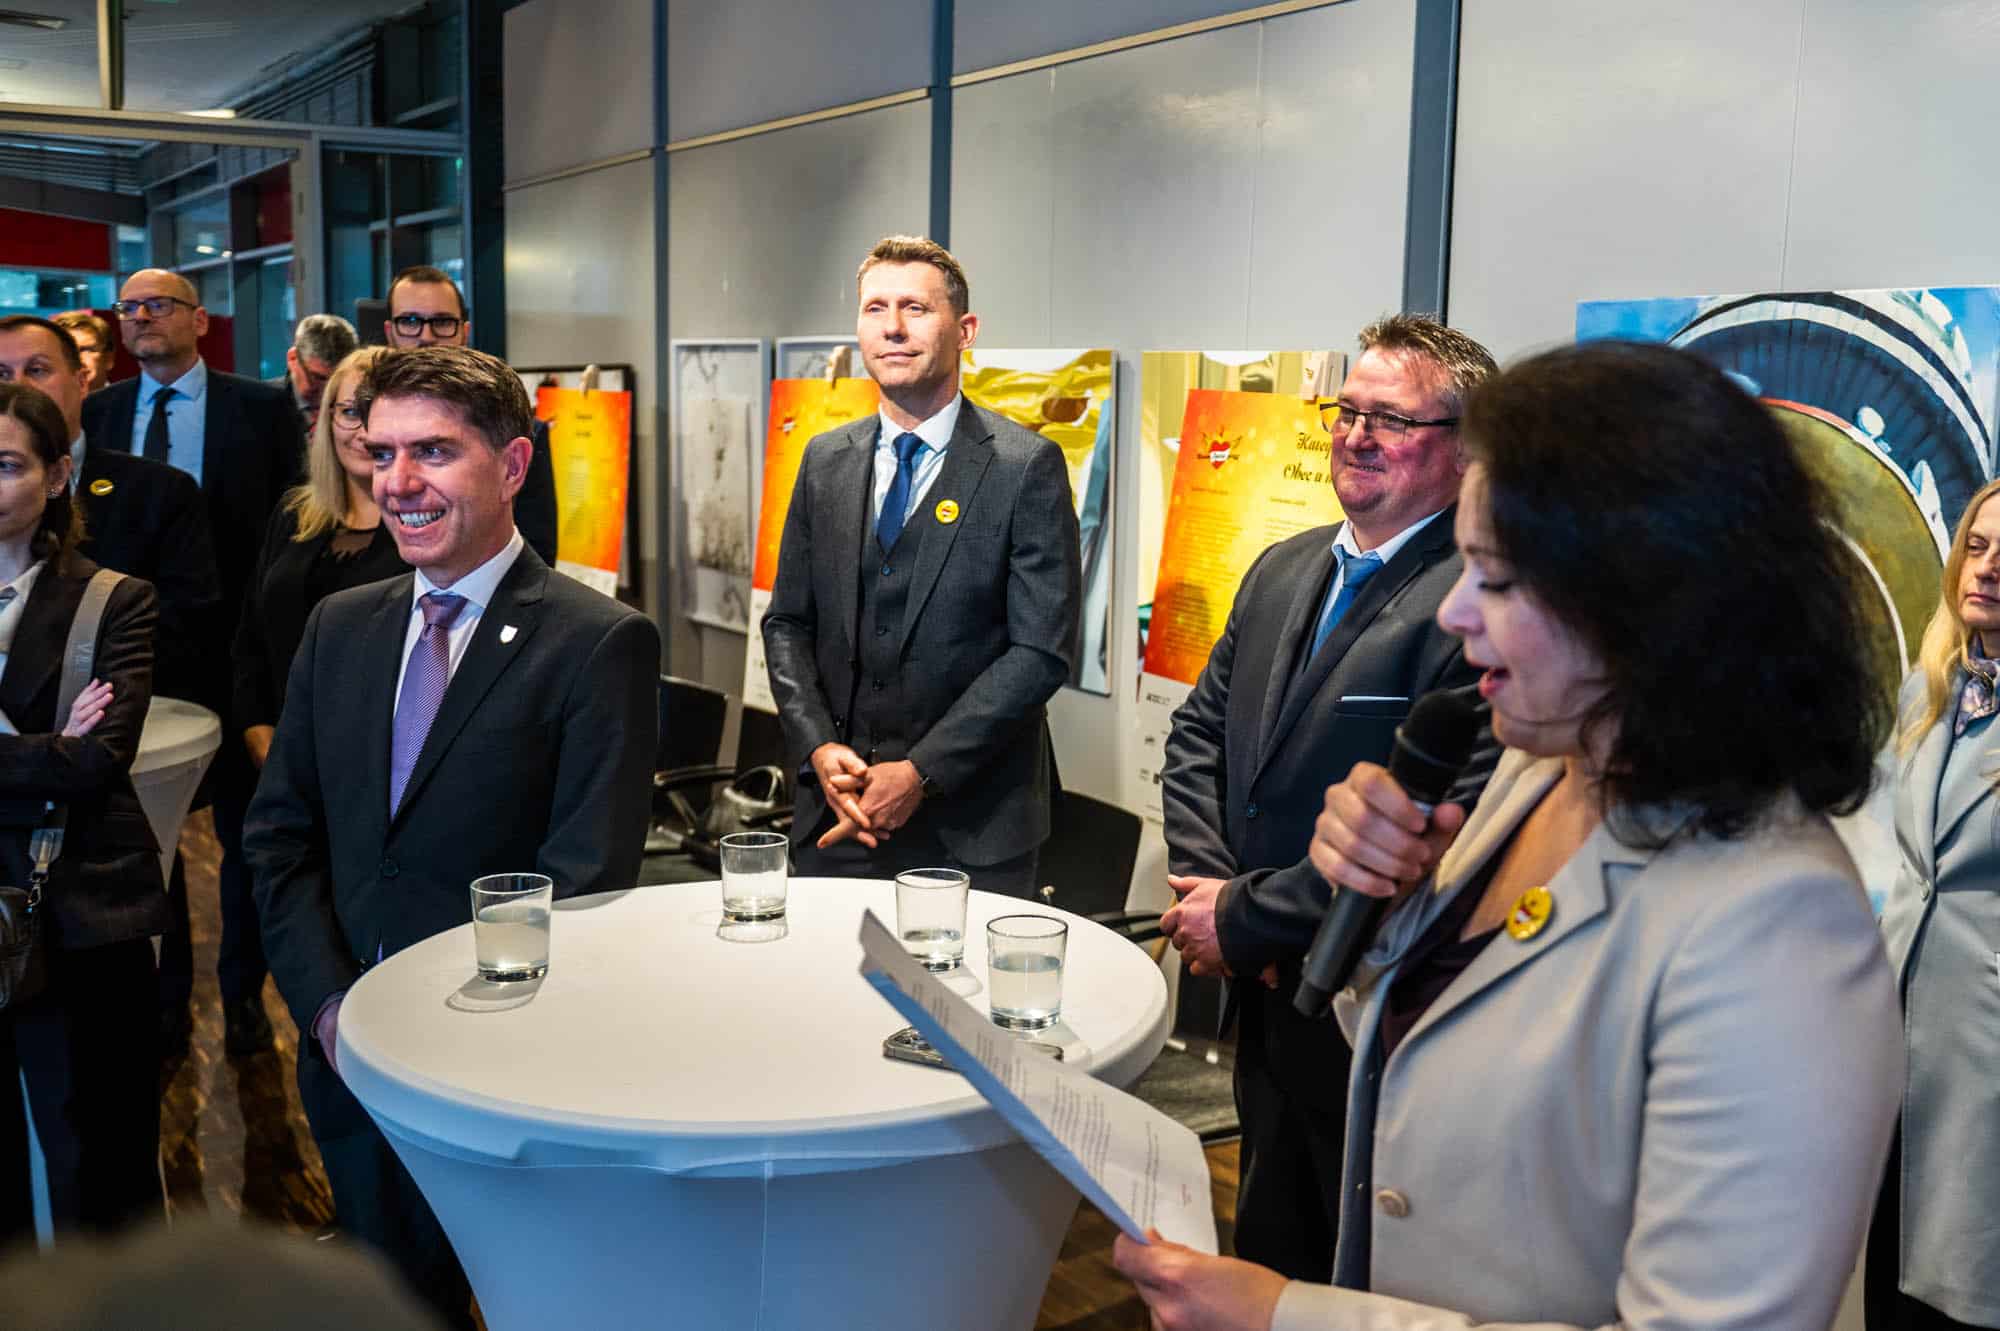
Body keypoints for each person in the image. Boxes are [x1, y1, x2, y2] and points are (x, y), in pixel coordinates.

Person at [1116, 341, 1902, 1330]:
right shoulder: (1537, 774)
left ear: (1644, 604)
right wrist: (1373, 899)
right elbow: (1423, 1038)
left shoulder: (1780, 927)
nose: (1452, 611)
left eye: (1491, 578)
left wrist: (1286, 1315)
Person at [246, 344, 658, 1327]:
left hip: (504, 1074)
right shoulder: (339, 627)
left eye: (432, 451)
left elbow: (583, 880)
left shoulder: (596, 641)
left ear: (511, 465)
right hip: (349, 1063)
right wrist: (329, 1009)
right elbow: (279, 839)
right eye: (381, 453)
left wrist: (447, 1030)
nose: (397, 482)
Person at [1156, 313, 1500, 1281]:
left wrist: (1244, 920)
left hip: (1371, 1008)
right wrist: (1212, 892)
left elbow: (1443, 826)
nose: (1355, 435)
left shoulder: (1476, 604)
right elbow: (1197, 734)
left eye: (1390, 419)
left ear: (1465, 445)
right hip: (1264, 1003)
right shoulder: (1284, 566)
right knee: (1269, 1243)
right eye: (1346, 411)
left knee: (1355, 1273)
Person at [761, 235, 1081, 897]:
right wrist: (818, 745)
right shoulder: (824, 460)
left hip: (973, 830)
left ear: (965, 331)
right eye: (875, 308)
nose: (893, 328)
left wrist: (920, 773)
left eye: (915, 308)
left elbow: (1039, 653)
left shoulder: (1025, 467)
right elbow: (787, 623)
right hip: (839, 813)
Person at [80, 267, 301, 1052]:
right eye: (130, 307)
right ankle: (164, 1000)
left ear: (200, 320)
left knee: (247, 836)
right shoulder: (101, 411)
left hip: (235, 653)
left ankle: (242, 994)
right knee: (150, 837)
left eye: (160, 304)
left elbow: (288, 522)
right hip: (135, 659)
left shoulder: (261, 408)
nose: (142, 317)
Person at [0, 380, 166, 1244]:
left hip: (77, 907)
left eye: (7, 465)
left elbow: (98, 761)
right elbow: (65, 756)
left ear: (59, 474)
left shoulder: (112, 600)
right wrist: (47, 749)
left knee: (96, 1159)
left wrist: (67, 754)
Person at [1872, 475, 2000, 1330]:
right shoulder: (1929, 688)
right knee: (1893, 1277)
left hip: (1984, 1054)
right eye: (1978, 545)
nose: (1985, 567)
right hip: (1898, 1038)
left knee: (1967, 1292)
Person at [0, 315, 220, 705]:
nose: (19, 386)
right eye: (2, 374)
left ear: (82, 381)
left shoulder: (161, 491)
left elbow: (187, 627)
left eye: (37, 370)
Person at [235, 346, 402, 775]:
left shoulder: (424, 527)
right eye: (351, 412)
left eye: (380, 413)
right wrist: (259, 733)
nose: (364, 431)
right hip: (279, 756)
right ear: (328, 418)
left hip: (383, 762)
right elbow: (251, 636)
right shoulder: (294, 513)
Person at [380, 266, 558, 566]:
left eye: (442, 322)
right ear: (389, 332)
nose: (426, 336)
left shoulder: (520, 430)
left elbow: (537, 554)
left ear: (464, 332)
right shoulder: (356, 428)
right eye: (410, 321)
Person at [269, 313, 358, 435]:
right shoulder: (262, 406)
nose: (327, 391)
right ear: (292, 359)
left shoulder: (359, 405)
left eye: (338, 378)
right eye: (318, 378)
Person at [53, 312, 113, 397]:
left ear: (109, 359)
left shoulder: (129, 402)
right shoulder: (42, 403)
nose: (77, 359)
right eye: (68, 351)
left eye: (87, 350)